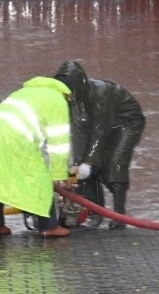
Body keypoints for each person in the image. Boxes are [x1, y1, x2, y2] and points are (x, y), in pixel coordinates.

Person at [0, 76, 74, 237]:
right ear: (67, 93)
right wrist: (60, 174)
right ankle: (49, 227)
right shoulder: (57, 100)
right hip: (14, 137)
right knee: (39, 178)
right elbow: (58, 142)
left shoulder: (25, 92)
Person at [54, 61, 146, 229]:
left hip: (126, 122)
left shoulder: (100, 93)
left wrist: (89, 162)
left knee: (116, 162)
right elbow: (78, 132)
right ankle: (93, 211)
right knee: (83, 167)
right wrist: (79, 164)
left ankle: (119, 214)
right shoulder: (71, 99)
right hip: (97, 125)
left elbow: (100, 130)